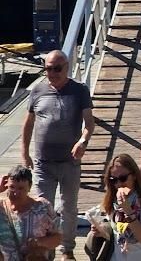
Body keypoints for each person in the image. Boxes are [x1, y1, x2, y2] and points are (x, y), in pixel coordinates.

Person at [21, 50, 93, 261]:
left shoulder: (79, 90)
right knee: (43, 207)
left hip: (70, 161)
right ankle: (46, 250)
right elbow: (28, 123)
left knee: (68, 207)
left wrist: (83, 141)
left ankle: (67, 249)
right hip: (43, 161)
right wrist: (25, 152)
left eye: (57, 69)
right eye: (48, 69)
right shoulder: (38, 89)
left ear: (66, 67)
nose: (52, 73)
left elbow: (89, 123)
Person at [84, 155, 141, 261]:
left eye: (123, 178)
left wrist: (128, 210)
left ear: (134, 175)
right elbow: (117, 232)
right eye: (113, 180)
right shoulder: (112, 198)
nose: (119, 184)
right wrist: (101, 231)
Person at [0, 166, 60, 261]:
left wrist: (40, 242)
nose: (15, 193)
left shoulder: (42, 207)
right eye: (12, 187)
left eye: (21, 188)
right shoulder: (1, 207)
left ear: (29, 187)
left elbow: (57, 238)